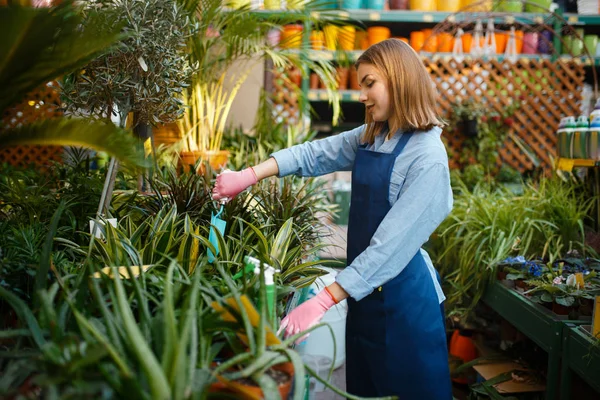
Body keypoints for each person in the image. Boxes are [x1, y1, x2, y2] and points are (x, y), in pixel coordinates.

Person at [212, 38, 453, 399]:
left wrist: (325, 299)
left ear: (400, 80)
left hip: (404, 306)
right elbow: (315, 154)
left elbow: (389, 247)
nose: (362, 95)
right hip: (363, 298)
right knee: (364, 389)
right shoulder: (374, 136)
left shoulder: (428, 158)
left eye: (370, 83)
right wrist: (249, 175)